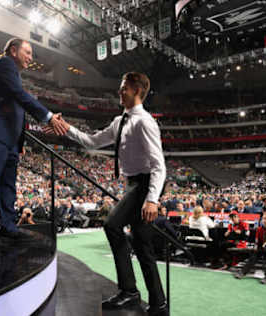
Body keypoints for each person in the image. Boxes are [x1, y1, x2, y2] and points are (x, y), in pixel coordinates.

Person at [46, 72, 168, 315]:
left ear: (136, 90)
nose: (119, 92)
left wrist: (152, 199)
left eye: (124, 88)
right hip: (134, 183)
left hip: (146, 184)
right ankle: (158, 304)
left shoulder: (144, 121)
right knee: (142, 244)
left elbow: (159, 165)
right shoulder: (119, 121)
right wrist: (66, 128)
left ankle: (129, 292)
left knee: (112, 225)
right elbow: (91, 142)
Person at [0, 38, 67, 247]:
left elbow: (17, 107)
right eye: (28, 52)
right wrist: (48, 116)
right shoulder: (4, 64)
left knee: (8, 185)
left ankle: (8, 227)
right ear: (13, 51)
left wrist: (19, 141)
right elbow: (20, 97)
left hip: (9, 139)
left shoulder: (13, 74)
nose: (31, 58)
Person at [235, 213, 266, 284]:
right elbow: (257, 241)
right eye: (264, 219)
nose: (264, 221)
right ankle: (242, 272)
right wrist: (256, 248)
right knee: (254, 256)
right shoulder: (259, 229)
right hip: (262, 248)